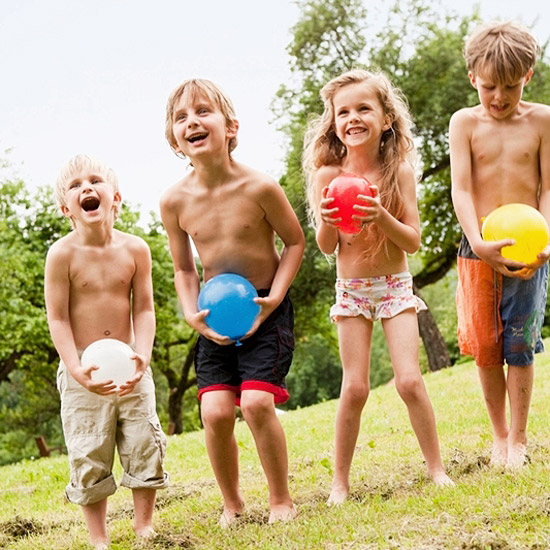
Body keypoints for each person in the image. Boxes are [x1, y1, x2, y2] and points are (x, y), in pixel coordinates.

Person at [303, 68, 453, 505]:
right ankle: (340, 483)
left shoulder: (398, 171)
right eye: (343, 111)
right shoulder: (326, 176)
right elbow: (328, 246)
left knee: (409, 380)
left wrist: (380, 216)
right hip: (351, 290)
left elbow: (413, 239)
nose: (353, 117)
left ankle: (437, 469)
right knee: (355, 387)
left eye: (363, 108)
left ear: (386, 118)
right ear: (333, 122)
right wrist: (330, 222)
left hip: (394, 285)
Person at [160, 78, 305, 526]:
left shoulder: (260, 187)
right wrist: (190, 313)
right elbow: (185, 269)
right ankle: (233, 504)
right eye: (181, 118)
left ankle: (281, 500)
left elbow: (296, 242)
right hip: (214, 318)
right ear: (174, 139)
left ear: (231, 126)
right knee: (216, 411)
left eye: (203, 111)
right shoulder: (174, 201)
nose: (192, 122)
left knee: (258, 403)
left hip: (266, 310)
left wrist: (274, 298)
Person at [44, 154, 169, 549]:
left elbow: (144, 307)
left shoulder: (136, 249)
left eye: (95, 180)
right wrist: (75, 368)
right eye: (76, 185)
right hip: (84, 373)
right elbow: (58, 319)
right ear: (67, 208)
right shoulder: (61, 255)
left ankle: (143, 526)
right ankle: (99, 538)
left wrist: (143, 355)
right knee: (88, 448)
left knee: (142, 442)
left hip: (131, 366)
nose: (87, 188)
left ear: (116, 197)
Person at [449, 20, 550, 469]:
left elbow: (548, 187)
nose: (500, 98)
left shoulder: (544, 119)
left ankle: (520, 440)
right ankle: (498, 437)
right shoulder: (464, 123)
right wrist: (477, 240)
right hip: (479, 248)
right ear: (473, 77)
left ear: (528, 75)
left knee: (519, 343)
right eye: (490, 86)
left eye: (510, 86)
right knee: (487, 347)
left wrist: (546, 237)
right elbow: (462, 189)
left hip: (530, 249)